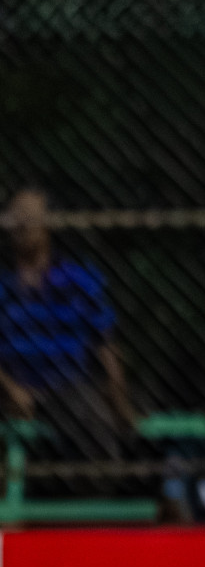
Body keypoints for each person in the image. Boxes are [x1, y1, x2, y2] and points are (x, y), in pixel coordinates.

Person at [0, 186, 135, 464]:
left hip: (66, 390)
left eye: (28, 216)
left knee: (96, 427)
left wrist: (117, 390)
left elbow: (105, 341)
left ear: (48, 223)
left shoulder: (78, 280)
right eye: (13, 215)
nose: (19, 223)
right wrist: (10, 388)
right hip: (8, 388)